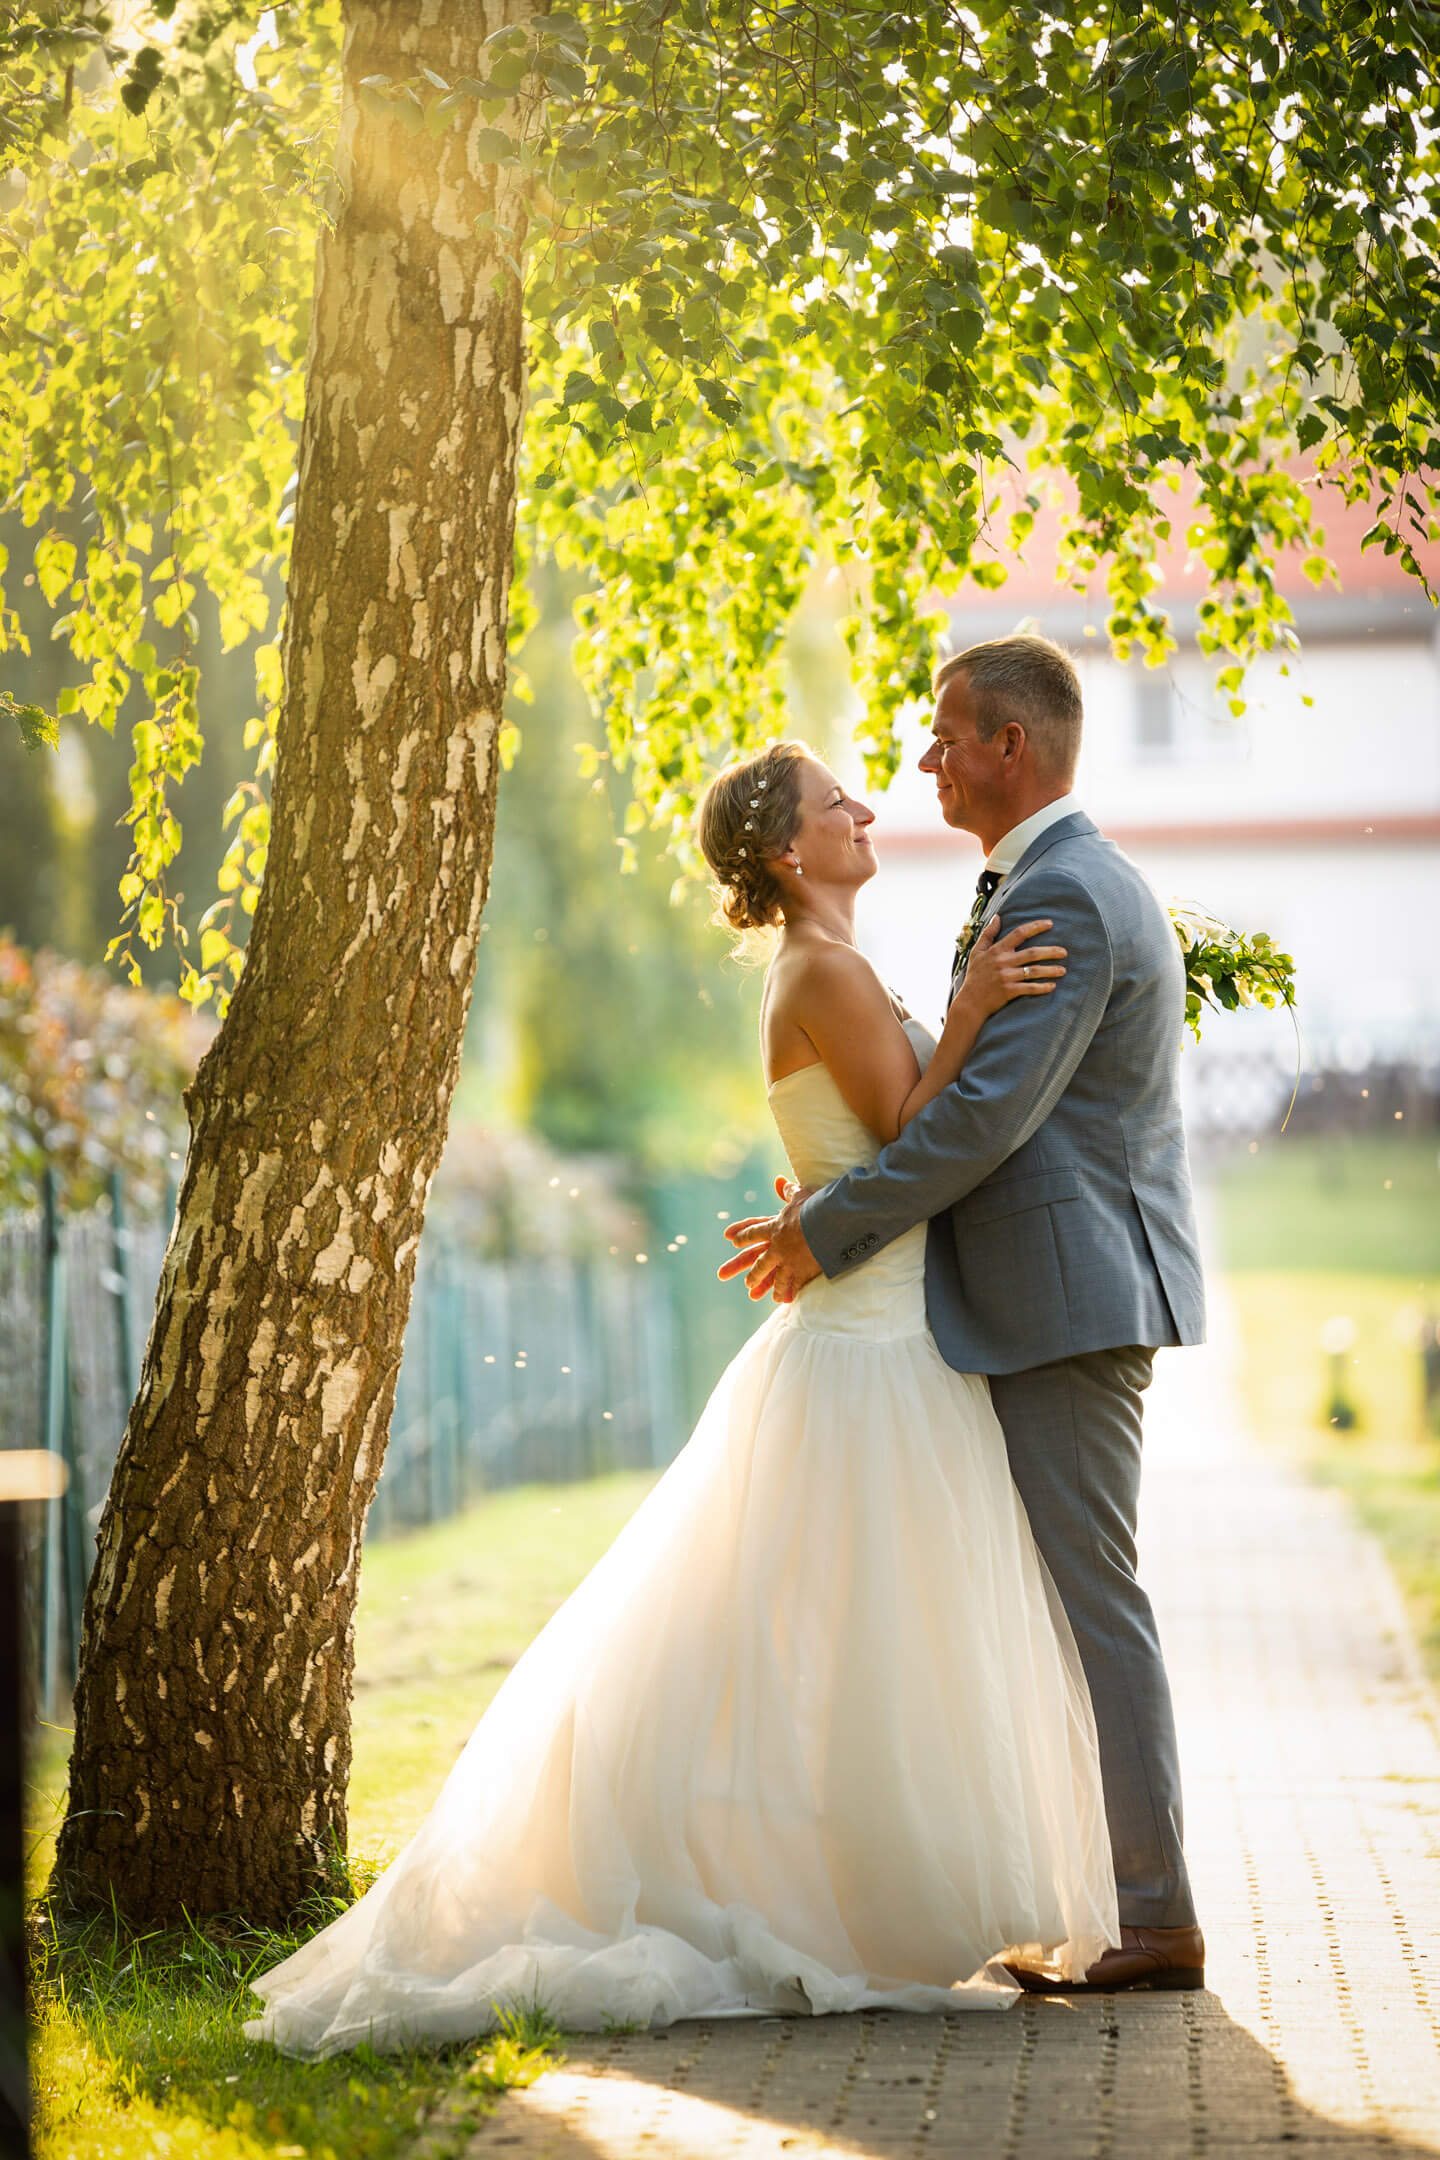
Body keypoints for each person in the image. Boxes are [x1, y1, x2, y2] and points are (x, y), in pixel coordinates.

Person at [245, 731, 1120, 2061]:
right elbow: (915, 1137)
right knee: (849, 1629)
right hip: (869, 1355)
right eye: (840, 803)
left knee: (868, 1635)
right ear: (790, 850)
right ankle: (820, 1897)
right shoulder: (821, 970)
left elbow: (882, 1140)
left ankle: (880, 1885)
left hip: (885, 1332)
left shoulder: (832, 967)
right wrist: (986, 1006)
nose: (867, 807)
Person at [723, 633, 1206, 1995]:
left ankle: (1157, 1920)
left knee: (1092, 1604)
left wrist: (826, 1226)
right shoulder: (1040, 883)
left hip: (1066, 1300)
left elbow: (986, 1118)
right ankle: (1101, 1900)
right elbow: (949, 1089)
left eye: (944, 736)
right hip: (1031, 1299)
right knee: (1051, 1603)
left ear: (1012, 746)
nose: (920, 763)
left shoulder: (1060, 895)